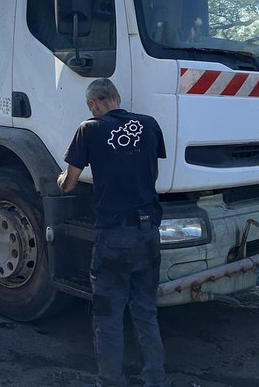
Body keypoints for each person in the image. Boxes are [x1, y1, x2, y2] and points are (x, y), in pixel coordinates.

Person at [57, 78, 167, 387]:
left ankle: (110, 381)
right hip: (148, 233)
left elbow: (69, 183)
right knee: (145, 311)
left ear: (93, 105)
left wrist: (59, 178)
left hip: (112, 238)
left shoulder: (89, 129)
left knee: (107, 317)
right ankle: (155, 380)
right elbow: (148, 170)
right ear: (117, 98)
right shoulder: (149, 124)